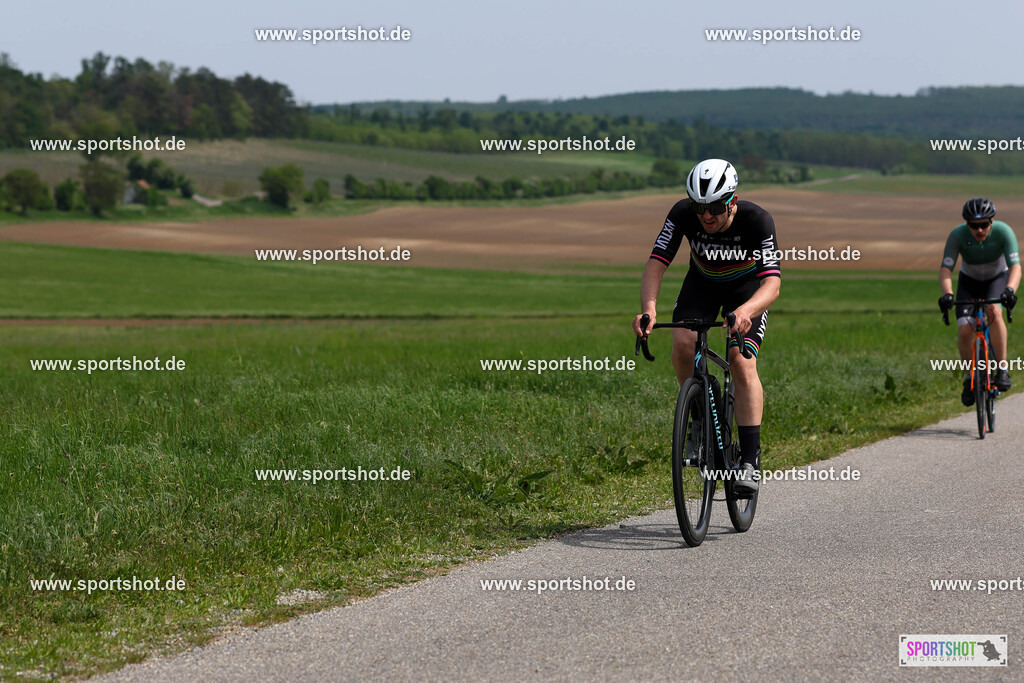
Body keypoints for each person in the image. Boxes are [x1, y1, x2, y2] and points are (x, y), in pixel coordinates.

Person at [633, 159, 780, 492]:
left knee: (741, 361)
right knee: (683, 345)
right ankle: (699, 417)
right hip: (701, 285)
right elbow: (656, 264)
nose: (706, 216)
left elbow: (772, 284)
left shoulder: (758, 220)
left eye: (714, 207)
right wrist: (649, 310)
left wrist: (746, 311)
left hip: (746, 291)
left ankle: (750, 461)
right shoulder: (682, 213)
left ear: (732, 201)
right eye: (699, 207)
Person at [938, 198, 1020, 405]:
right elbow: (946, 269)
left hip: (996, 279)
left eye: (984, 224)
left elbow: (1015, 267)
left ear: (992, 221)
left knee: (994, 311)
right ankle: (969, 378)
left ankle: (1002, 369)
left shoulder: (1004, 232)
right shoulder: (957, 235)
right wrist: (948, 294)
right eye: (974, 226)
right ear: (967, 224)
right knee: (965, 329)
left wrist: (1010, 290)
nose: (980, 230)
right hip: (969, 281)